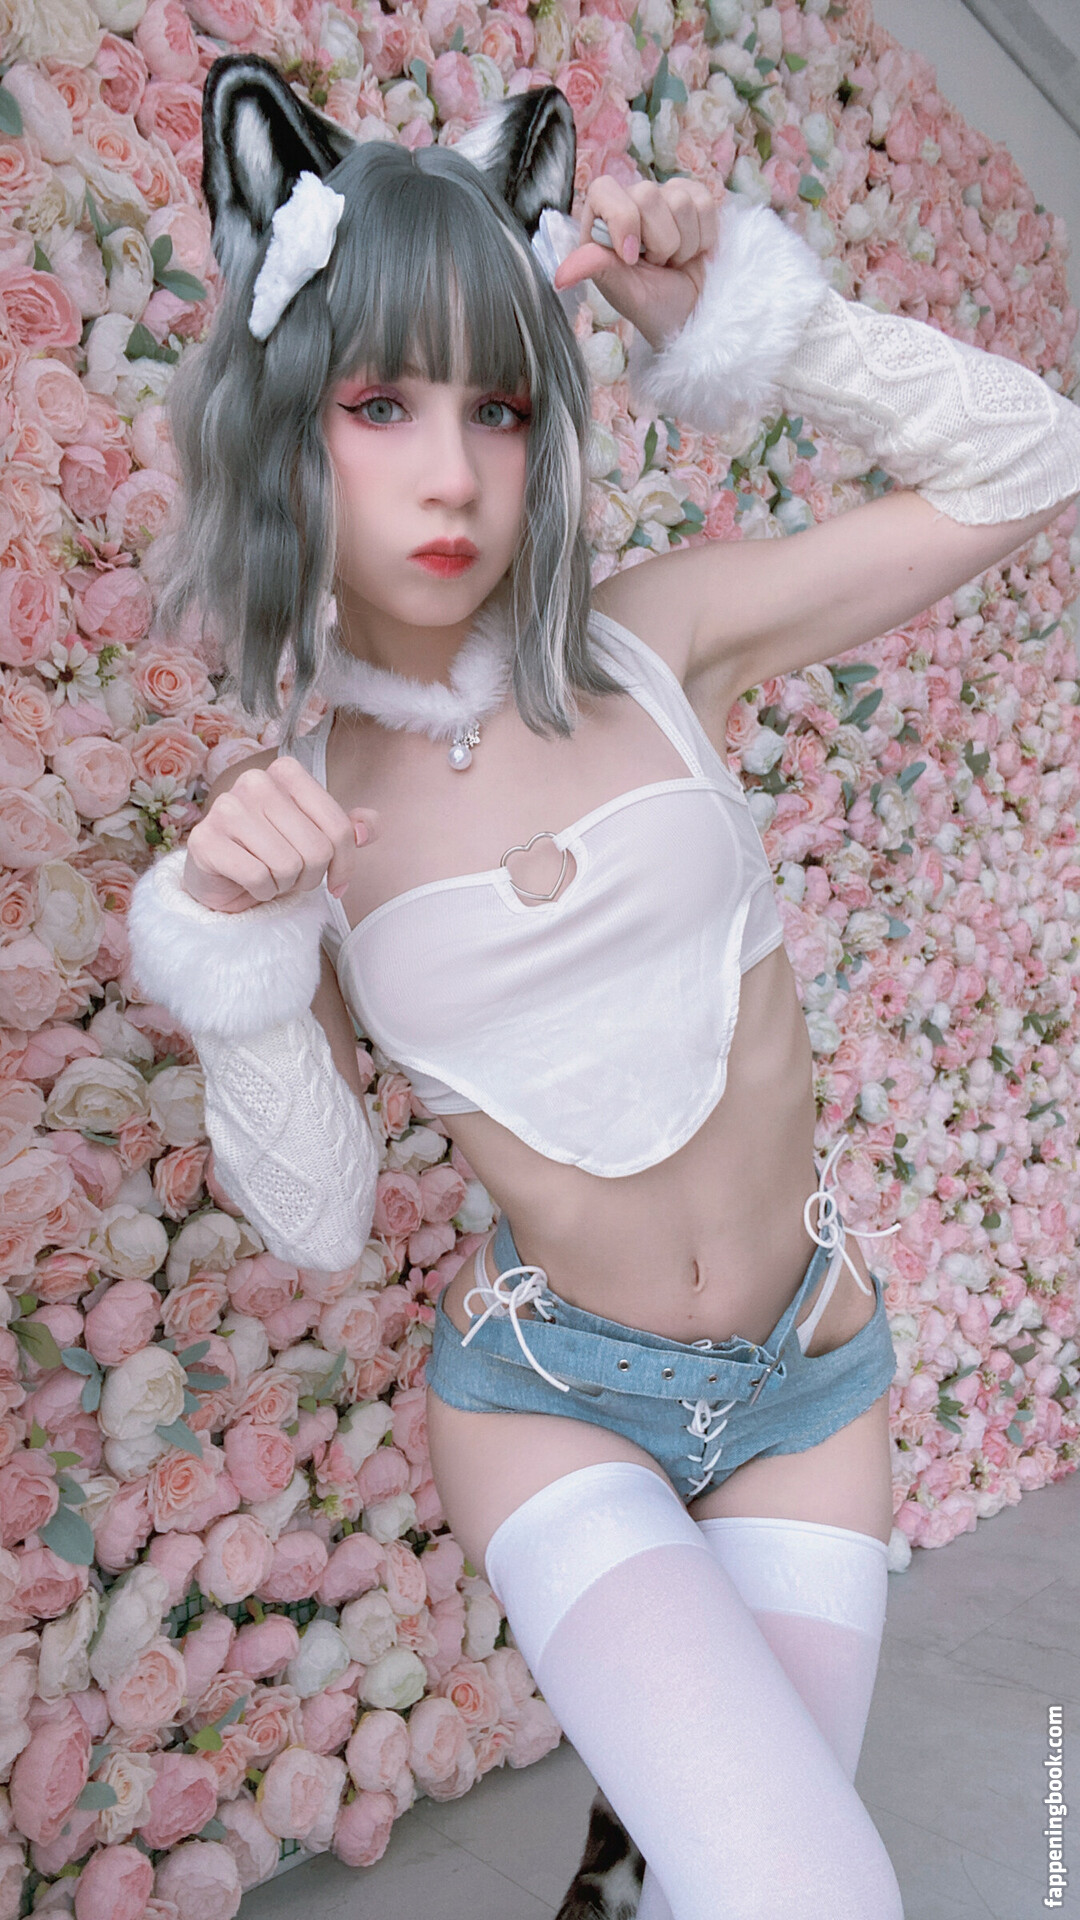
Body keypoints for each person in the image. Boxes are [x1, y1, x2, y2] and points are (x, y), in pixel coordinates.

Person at [127, 56, 1080, 1920]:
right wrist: (236, 961)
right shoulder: (296, 827)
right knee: (813, 1894)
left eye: (496, 402)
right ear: (284, 426)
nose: (453, 473)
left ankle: (615, 1875)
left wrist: (757, 324)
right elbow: (320, 1221)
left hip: (813, 1377)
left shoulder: (657, 643)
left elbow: (1036, 456)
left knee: (713, 1880)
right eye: (380, 402)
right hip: (555, 1396)